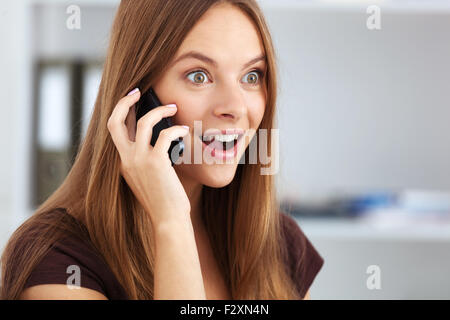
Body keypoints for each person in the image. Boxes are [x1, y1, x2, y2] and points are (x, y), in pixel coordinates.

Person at [1, 0, 324, 300]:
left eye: (252, 76)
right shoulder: (58, 256)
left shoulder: (280, 243)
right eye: (199, 76)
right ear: (137, 99)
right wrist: (171, 222)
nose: (236, 107)